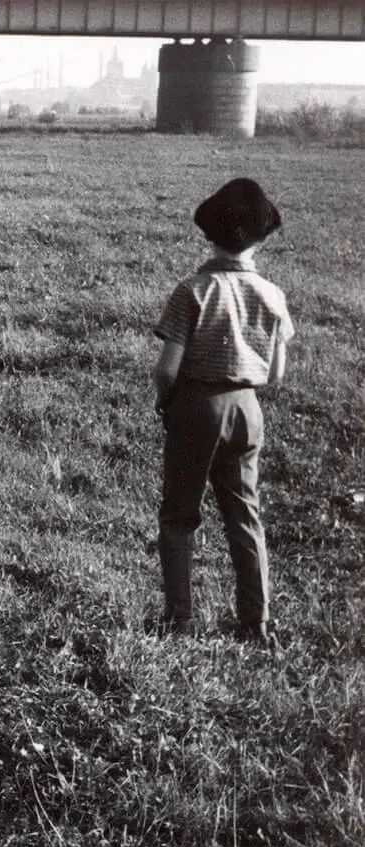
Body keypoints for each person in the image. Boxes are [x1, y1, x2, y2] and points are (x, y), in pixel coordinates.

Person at [151, 178, 294, 644]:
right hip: (248, 409)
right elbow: (274, 374)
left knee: (179, 515)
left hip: (196, 405)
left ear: (208, 232)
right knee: (244, 515)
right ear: (261, 237)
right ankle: (257, 621)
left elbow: (167, 369)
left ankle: (179, 619)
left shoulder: (193, 291)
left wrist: (166, 402)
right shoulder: (273, 296)